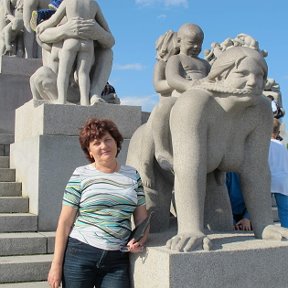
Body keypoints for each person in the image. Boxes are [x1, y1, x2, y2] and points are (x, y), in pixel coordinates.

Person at [47, 118, 149, 288]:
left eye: (108, 140)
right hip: (80, 253)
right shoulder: (80, 174)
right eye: (96, 143)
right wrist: (56, 265)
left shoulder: (133, 175)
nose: (104, 146)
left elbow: (142, 220)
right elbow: (64, 223)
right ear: (90, 150)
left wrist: (140, 240)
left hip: (116, 260)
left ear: (116, 143)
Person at [30, 7, 114, 104]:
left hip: (85, 88)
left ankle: (95, 94)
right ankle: (64, 100)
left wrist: (99, 33)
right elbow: (40, 33)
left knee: (107, 52)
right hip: (57, 86)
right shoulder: (56, 14)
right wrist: (65, 30)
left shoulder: (91, 14)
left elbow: (110, 41)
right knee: (41, 75)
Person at [153, 23, 210, 167]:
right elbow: (172, 78)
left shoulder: (205, 64)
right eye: (192, 43)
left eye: (199, 43)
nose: (196, 47)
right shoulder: (176, 59)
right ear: (179, 41)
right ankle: (161, 149)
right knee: (165, 106)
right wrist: (189, 85)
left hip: (205, 99)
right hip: (180, 98)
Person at [268, 118, 288, 228]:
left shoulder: (265, 145)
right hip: (283, 181)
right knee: (285, 211)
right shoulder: (282, 146)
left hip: (269, 180)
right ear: (277, 132)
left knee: (264, 208)